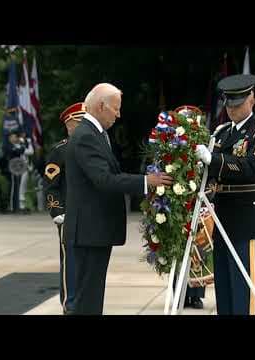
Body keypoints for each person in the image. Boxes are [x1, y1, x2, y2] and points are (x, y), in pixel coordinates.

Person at [63, 83, 173, 315]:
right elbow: (104, 179)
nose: (119, 114)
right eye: (116, 108)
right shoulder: (86, 136)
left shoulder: (95, 134)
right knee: (87, 299)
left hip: (94, 230)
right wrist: (147, 181)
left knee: (91, 295)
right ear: (101, 106)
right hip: (90, 230)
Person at [195, 74, 255, 315]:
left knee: (245, 292)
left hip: (247, 221)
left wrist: (215, 160)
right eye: (229, 104)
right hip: (222, 221)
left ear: (252, 99)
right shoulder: (221, 133)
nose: (232, 110)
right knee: (226, 292)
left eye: (238, 104)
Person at [43, 102, 85, 314]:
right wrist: (57, 212)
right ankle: (69, 305)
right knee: (70, 263)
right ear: (69, 124)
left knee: (87, 265)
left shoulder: (91, 147)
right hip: (67, 215)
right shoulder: (60, 151)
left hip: (88, 216)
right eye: (80, 122)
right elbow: (51, 185)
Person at [174, 104, 206, 310]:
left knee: (200, 248)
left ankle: (195, 295)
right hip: (177, 202)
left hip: (198, 200)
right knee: (177, 248)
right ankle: (179, 292)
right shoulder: (170, 143)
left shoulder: (202, 144)